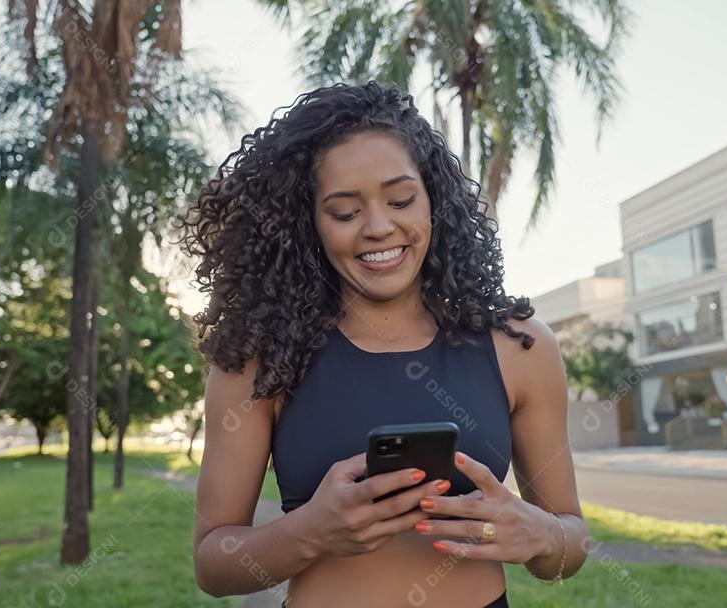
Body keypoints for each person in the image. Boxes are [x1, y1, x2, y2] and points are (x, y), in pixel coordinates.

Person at [178, 81, 587, 607]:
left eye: (400, 200)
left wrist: (542, 535)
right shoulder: (258, 358)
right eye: (345, 212)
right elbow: (214, 564)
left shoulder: (521, 348)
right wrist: (311, 532)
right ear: (309, 225)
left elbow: (570, 544)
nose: (378, 227)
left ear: (433, 201)